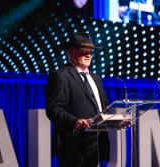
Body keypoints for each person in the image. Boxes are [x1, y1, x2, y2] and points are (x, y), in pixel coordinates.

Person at [45, 32, 110, 167]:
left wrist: (117, 120)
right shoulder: (60, 76)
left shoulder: (96, 78)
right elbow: (53, 109)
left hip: (95, 145)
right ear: (71, 53)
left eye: (91, 52)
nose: (88, 55)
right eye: (83, 51)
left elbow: (104, 107)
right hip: (74, 147)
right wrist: (76, 121)